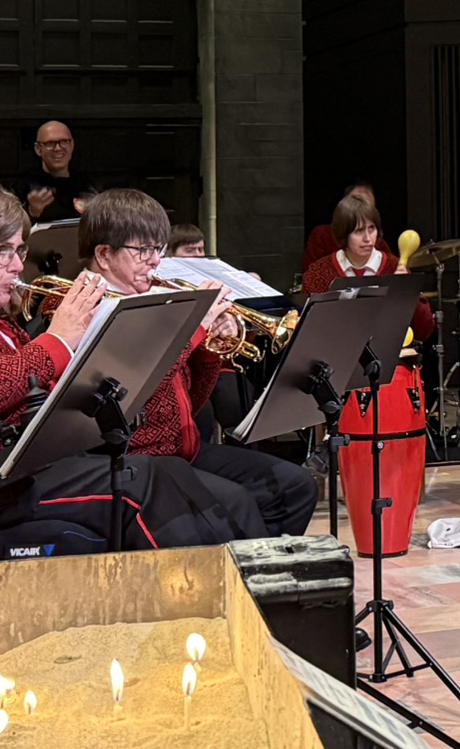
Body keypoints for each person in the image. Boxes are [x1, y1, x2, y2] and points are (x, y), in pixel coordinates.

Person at [0, 180, 267, 547]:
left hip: (14, 470)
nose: (16, 265)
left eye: (19, 250)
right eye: (1, 252)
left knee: (190, 485)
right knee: (152, 480)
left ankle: (240, 595)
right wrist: (58, 340)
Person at [69, 189, 317, 536]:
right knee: (238, 504)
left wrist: (210, 349)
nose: (155, 261)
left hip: (185, 450)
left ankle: (260, 570)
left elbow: (191, 402)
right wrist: (196, 331)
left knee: (294, 488)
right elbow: (139, 391)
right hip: (143, 461)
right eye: (143, 251)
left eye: (158, 248)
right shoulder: (89, 310)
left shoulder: (153, 297)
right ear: (104, 254)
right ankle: (240, 575)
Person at [301, 193, 435, 340]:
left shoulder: (393, 267)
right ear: (343, 235)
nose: (367, 238)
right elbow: (305, 329)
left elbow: (424, 330)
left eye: (371, 229)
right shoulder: (320, 273)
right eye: (359, 231)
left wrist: (407, 290)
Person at [23, 120, 94, 222]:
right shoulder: (25, 187)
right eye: (50, 143)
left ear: (72, 145)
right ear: (38, 149)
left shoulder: (87, 186)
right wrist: (32, 212)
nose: (58, 148)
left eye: (64, 142)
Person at [305, 182, 374, 266]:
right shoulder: (322, 235)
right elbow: (311, 274)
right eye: (355, 201)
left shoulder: (377, 241)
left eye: (365, 205)